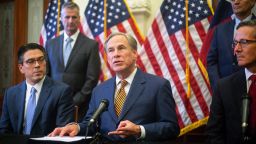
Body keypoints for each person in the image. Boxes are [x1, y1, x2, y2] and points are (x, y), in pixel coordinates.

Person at [48, 32, 180, 142]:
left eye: (121, 48)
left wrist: (139, 130)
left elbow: (172, 128)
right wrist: (76, 128)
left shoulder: (158, 85)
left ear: (134, 53)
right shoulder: (99, 90)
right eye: (111, 50)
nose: (116, 54)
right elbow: (91, 124)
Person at [0, 43, 74, 135]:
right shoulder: (11, 93)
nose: (37, 65)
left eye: (41, 59)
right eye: (30, 61)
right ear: (21, 68)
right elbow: (4, 131)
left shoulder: (62, 91)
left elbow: (62, 132)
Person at [45, 2, 101, 122]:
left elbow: (92, 78)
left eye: (74, 17)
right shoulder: (50, 44)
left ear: (79, 19)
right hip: (53, 105)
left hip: (79, 107)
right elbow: (47, 74)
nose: (70, 21)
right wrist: (50, 98)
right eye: (67, 17)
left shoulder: (91, 45)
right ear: (61, 19)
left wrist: (77, 100)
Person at [206, 20, 256, 144]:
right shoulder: (224, 87)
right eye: (235, 43)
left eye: (243, 42)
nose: (237, 50)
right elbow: (213, 135)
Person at [207, 0, 256, 93]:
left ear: (252, 2)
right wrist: (219, 86)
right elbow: (211, 61)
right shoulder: (220, 29)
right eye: (233, 0)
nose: (235, 2)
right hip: (225, 93)